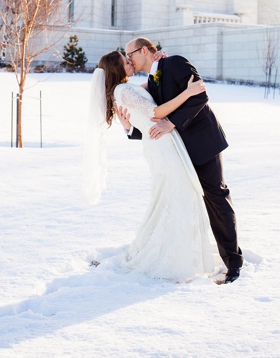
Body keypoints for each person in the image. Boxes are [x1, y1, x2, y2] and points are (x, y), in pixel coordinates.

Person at [120, 37, 243, 284]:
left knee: (216, 198)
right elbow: (151, 119)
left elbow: (200, 96)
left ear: (144, 50)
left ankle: (233, 264)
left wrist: (171, 122)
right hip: (177, 153)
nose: (129, 59)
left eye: (129, 53)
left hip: (203, 144)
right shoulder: (150, 82)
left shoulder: (175, 63)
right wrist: (129, 129)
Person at [84, 50, 214, 281]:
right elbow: (155, 113)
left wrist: (157, 65)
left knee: (172, 197)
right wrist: (189, 92)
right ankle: (167, 255)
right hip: (161, 144)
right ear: (117, 68)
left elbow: (153, 87)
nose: (130, 62)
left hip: (162, 143)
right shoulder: (122, 90)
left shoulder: (126, 89)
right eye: (126, 62)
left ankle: (171, 250)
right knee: (178, 196)